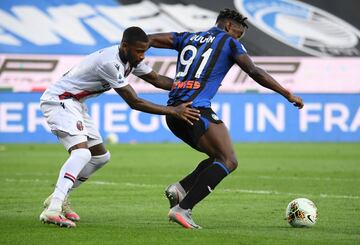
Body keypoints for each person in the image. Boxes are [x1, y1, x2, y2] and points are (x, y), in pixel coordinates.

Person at [148, 8, 304, 229]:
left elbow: (149, 39)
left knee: (216, 157)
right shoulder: (229, 42)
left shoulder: (188, 37)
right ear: (229, 26)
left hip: (174, 113)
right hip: (196, 111)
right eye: (238, 34)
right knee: (228, 160)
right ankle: (183, 209)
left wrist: (134, 62)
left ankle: (180, 189)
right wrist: (287, 93)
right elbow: (254, 71)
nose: (238, 39)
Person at [39, 26, 200, 228]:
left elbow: (157, 79)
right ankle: (52, 209)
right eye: (139, 51)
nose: (142, 56)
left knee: (100, 157)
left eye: (145, 51)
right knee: (81, 155)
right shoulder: (110, 62)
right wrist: (174, 111)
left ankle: (57, 198)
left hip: (76, 103)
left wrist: (194, 86)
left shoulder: (131, 59)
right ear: (125, 46)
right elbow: (135, 102)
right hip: (60, 100)